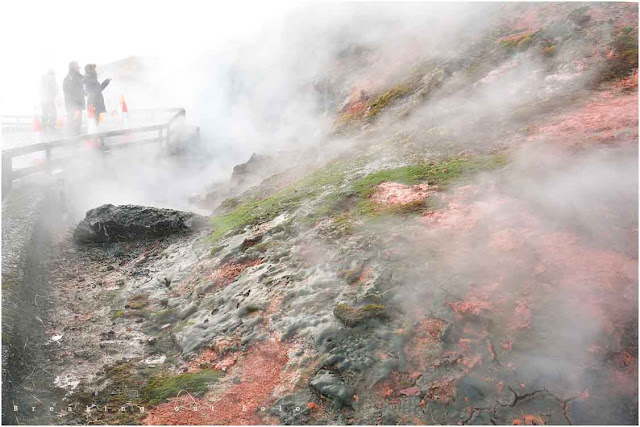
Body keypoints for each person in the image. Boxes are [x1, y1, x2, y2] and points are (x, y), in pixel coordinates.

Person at [63, 61, 85, 135]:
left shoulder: (75, 77)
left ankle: (72, 136)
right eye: (77, 67)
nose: (78, 69)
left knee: (74, 120)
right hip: (74, 104)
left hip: (74, 103)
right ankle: (74, 137)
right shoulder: (73, 77)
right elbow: (72, 91)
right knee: (76, 121)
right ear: (73, 68)